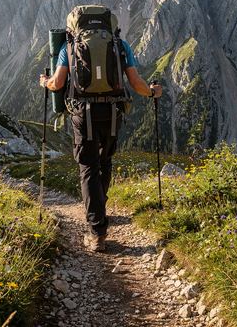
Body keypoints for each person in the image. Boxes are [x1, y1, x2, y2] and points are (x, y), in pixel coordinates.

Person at [40, 22, 162, 252]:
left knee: (88, 167)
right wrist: (153, 92)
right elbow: (136, 83)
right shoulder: (120, 45)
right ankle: (99, 207)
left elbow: (57, 83)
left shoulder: (69, 47)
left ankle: (97, 232)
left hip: (82, 114)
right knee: (105, 161)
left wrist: (44, 82)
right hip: (113, 113)